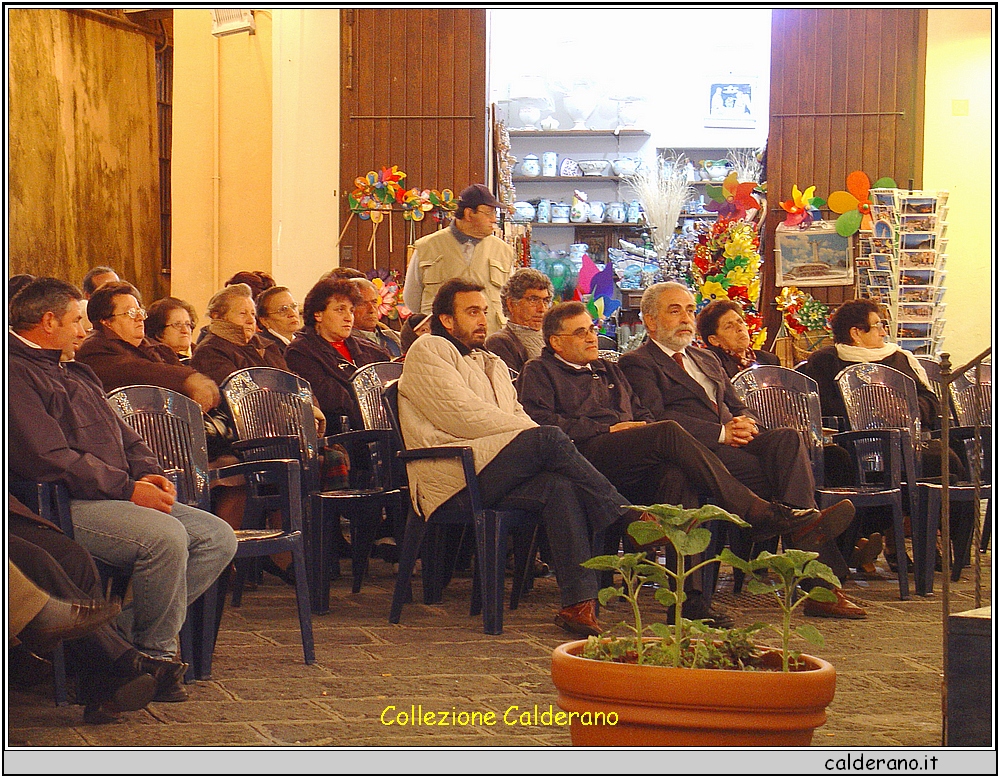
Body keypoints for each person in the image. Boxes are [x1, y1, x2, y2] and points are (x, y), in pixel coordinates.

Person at [518, 301, 859, 624]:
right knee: (669, 433)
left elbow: (646, 412)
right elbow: (542, 425)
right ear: (556, 341)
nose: (591, 336)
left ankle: (691, 603)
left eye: (591, 328)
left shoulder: (608, 368)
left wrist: (744, 422)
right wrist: (608, 427)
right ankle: (760, 514)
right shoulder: (542, 370)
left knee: (724, 460)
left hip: (652, 452)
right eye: (580, 333)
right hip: (591, 455)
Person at [8, 278, 238, 699]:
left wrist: (146, 471)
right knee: (165, 538)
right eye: (77, 321)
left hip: (116, 493)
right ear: (47, 322)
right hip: (66, 504)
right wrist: (127, 489)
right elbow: (48, 458)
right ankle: (159, 657)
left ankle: (124, 643)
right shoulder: (16, 373)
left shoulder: (74, 369)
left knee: (216, 537)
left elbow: (123, 432)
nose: (84, 331)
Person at [399, 278, 645, 637]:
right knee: (547, 437)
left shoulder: (491, 361)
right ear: (447, 320)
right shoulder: (429, 350)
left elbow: (516, 415)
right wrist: (530, 437)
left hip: (490, 465)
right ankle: (626, 518)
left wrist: (528, 435)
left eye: (484, 311)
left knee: (559, 485)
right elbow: (462, 416)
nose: (483, 319)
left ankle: (578, 603)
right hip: (451, 474)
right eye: (471, 312)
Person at [620, 282, 866, 618]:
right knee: (789, 494)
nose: (686, 319)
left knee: (787, 440)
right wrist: (720, 433)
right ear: (650, 321)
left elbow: (738, 406)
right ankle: (818, 580)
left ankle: (796, 520)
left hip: (735, 448)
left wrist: (744, 424)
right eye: (674, 310)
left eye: (690, 310)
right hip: (695, 453)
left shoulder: (705, 357)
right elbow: (656, 419)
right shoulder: (637, 363)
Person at [798, 297, 969, 570]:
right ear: (856, 333)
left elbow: (929, 399)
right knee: (850, 466)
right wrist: (871, 408)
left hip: (905, 444)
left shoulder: (900, 359)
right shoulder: (826, 361)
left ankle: (944, 549)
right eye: (877, 325)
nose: (883, 332)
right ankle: (864, 543)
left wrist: (907, 410)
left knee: (948, 458)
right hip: (856, 447)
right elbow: (823, 409)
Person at [9, 496, 187, 724]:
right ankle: (124, 665)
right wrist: (127, 487)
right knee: (37, 560)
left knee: (76, 558)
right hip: (76, 492)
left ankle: (105, 677)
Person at [76, 281, 220, 413]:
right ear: (106, 321)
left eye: (139, 312)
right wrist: (188, 379)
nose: (139, 318)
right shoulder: (94, 349)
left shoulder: (155, 347)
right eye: (130, 313)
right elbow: (134, 369)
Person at [403, 183, 515, 334]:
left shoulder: (503, 251)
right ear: (469, 214)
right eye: (488, 213)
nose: (494, 219)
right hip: (440, 342)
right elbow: (412, 298)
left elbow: (510, 301)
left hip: (488, 342)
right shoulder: (427, 247)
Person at [285, 277, 388, 431]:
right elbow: (333, 400)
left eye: (351, 310)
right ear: (318, 314)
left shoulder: (372, 351)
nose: (348, 317)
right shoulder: (301, 352)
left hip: (382, 426)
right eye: (340, 309)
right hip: (343, 434)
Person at [190, 283, 288, 386]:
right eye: (242, 313)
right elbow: (237, 393)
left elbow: (291, 384)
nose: (251, 320)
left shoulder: (267, 346)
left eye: (253, 314)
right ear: (218, 316)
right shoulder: (210, 352)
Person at [484, 268, 554, 374]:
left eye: (546, 301)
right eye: (533, 300)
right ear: (511, 304)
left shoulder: (554, 338)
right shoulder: (499, 342)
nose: (542, 308)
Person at [696, 299, 779, 378]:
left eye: (740, 322)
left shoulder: (769, 360)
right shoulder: (711, 365)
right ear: (714, 340)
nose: (739, 328)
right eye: (729, 326)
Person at [350, 277, 402, 358]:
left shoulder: (394, 337)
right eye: (362, 304)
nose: (372, 309)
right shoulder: (347, 343)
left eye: (374, 302)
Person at [145, 296, 199, 362]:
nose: (185, 330)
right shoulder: (151, 360)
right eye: (177, 325)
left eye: (187, 324)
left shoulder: (203, 356)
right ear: (159, 333)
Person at [255, 286, 302, 354]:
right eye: (282, 310)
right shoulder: (264, 348)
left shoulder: (306, 341)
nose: (292, 313)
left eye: (293, 306)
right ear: (264, 321)